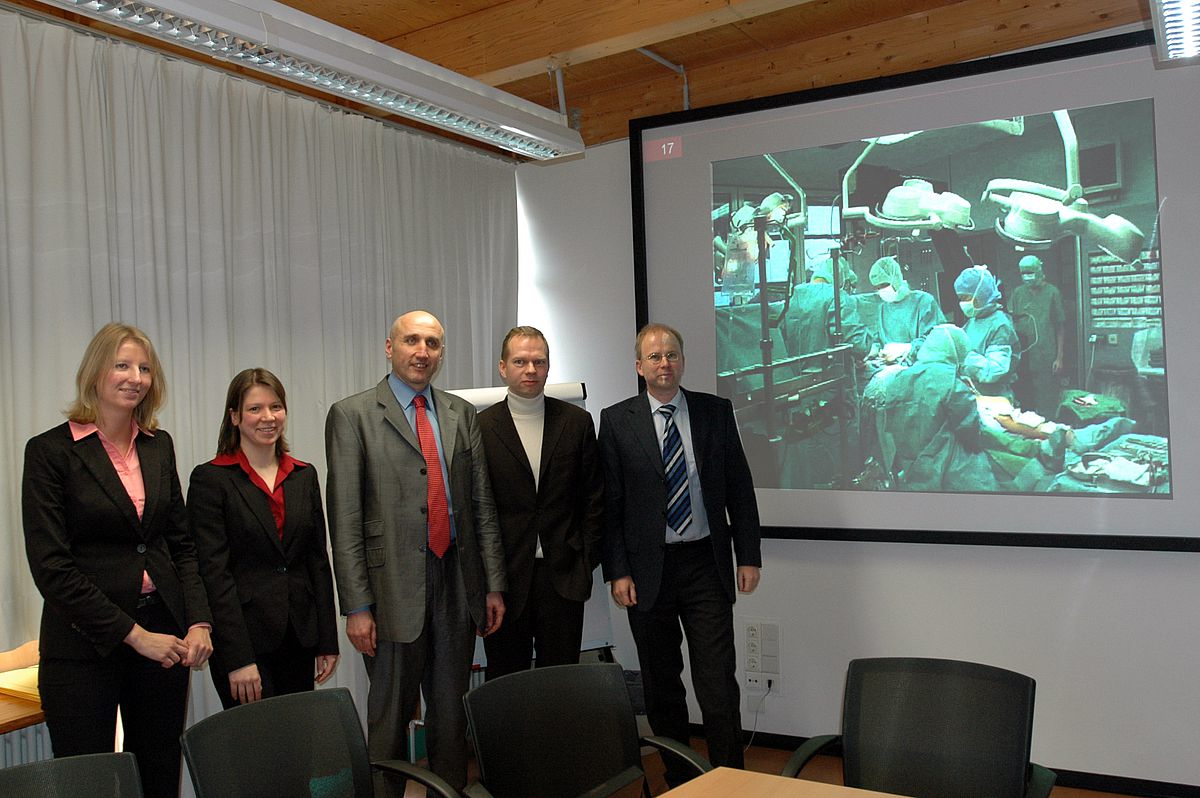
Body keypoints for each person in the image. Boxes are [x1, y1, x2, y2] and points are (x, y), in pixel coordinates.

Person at [22, 322, 212, 798]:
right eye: (122, 365)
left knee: (159, 771)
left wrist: (200, 622)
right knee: (88, 781)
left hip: (164, 635)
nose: (136, 377)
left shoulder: (157, 444)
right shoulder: (50, 452)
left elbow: (180, 544)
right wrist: (136, 637)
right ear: (96, 373)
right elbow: (52, 568)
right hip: (83, 646)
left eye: (145, 368)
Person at [325, 310, 507, 793]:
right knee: (387, 722)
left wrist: (492, 584)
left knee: (450, 721)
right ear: (390, 348)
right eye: (411, 340)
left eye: (432, 343)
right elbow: (344, 520)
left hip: (457, 584)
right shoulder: (352, 415)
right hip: (389, 594)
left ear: (441, 353)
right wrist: (358, 606)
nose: (422, 351)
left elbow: (481, 506)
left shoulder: (460, 413)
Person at [599, 323, 762, 785]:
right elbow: (610, 505)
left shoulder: (715, 411)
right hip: (648, 571)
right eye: (654, 357)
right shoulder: (616, 421)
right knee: (661, 683)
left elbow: (739, 488)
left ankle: (731, 780)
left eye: (671, 355)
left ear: (683, 361)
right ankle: (679, 780)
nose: (664, 363)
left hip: (704, 565)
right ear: (639, 367)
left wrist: (748, 555)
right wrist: (618, 571)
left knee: (716, 680)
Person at [188, 368, 339, 710]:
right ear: (235, 416)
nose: (268, 417)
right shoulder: (211, 480)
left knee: (295, 744)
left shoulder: (304, 475)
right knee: (255, 751)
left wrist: (327, 641)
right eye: (255, 409)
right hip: (244, 642)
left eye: (276, 407)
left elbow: (317, 560)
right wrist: (237, 657)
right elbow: (214, 574)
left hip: (298, 636)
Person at [477, 327, 604, 680]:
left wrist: (584, 559)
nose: (530, 369)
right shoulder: (481, 427)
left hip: (562, 576)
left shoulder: (577, 423)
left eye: (539, 361)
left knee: (560, 683)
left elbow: (594, 498)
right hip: (505, 582)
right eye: (520, 361)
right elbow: (476, 508)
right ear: (503, 368)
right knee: (506, 682)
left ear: (548, 367)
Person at [871, 324, 998, 491]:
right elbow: (970, 432)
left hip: (912, 472)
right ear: (957, 352)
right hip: (951, 475)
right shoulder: (952, 383)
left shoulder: (898, 380)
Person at [778, 255, 870, 361]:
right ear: (842, 279)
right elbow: (858, 346)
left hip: (795, 374)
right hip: (831, 374)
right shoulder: (838, 297)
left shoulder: (794, 294)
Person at [1010, 254, 1066, 418]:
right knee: (1025, 401)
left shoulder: (1052, 293)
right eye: (1023, 273)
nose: (1026, 277)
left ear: (1039, 271)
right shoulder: (1018, 293)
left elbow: (1060, 327)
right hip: (1024, 358)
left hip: (1046, 356)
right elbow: (1012, 323)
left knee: (1047, 399)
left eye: (1030, 272)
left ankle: (1050, 434)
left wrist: (1059, 357)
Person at [954, 265, 1020, 399]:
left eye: (966, 298)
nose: (962, 303)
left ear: (981, 294)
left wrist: (963, 356)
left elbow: (994, 370)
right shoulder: (973, 320)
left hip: (994, 399)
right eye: (960, 298)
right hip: (973, 395)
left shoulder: (1000, 325)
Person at [865, 255, 945, 362]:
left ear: (896, 279)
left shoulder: (923, 301)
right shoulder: (883, 308)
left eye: (884, 285)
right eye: (877, 288)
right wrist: (871, 352)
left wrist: (907, 349)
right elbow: (878, 340)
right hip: (889, 364)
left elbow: (936, 340)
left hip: (920, 363)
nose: (881, 290)